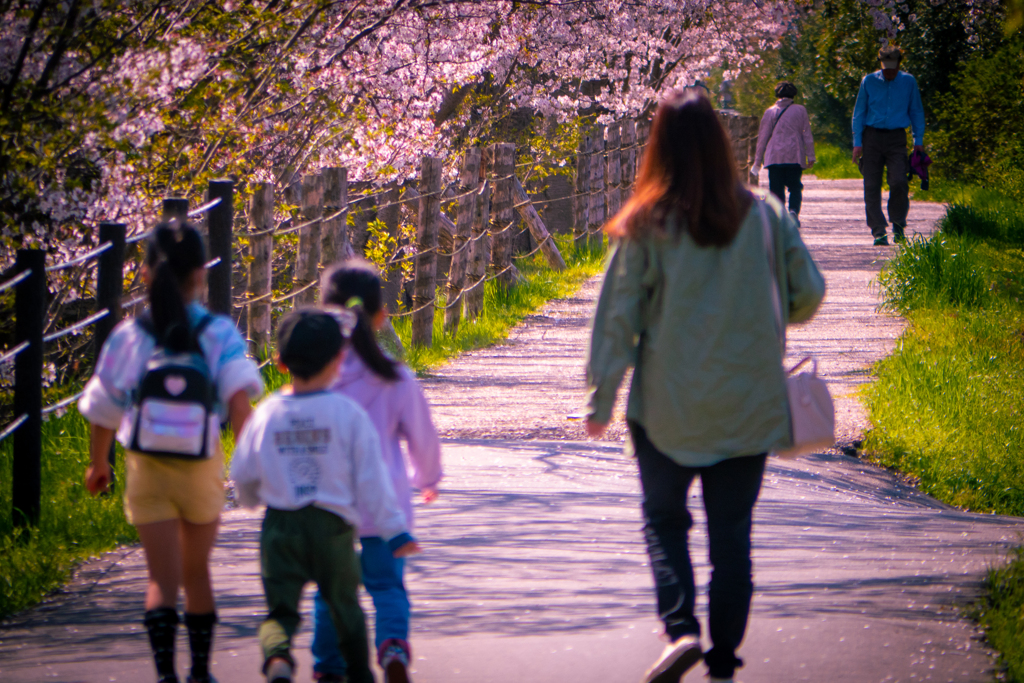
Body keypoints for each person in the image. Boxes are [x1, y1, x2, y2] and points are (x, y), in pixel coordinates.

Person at [584, 90, 825, 683]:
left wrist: (602, 400)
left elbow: (619, 317)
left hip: (665, 406)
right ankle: (723, 659)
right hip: (747, 404)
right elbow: (810, 292)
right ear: (720, 141)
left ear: (657, 147)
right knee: (732, 539)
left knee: (665, 521)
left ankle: (681, 630)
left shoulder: (648, 222)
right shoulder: (765, 214)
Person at [79, 221, 263, 683]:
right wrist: (252, 465)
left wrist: (99, 463)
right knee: (196, 572)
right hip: (200, 464)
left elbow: (104, 406)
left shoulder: (130, 335)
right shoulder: (218, 333)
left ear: (143, 272)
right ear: (202, 273)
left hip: (146, 466)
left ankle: (165, 674)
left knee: (162, 578)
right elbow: (240, 406)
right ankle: (201, 672)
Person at [230, 308, 420, 683]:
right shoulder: (347, 414)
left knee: (280, 613)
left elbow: (242, 472)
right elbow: (372, 480)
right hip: (332, 527)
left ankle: (278, 659)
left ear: (281, 362)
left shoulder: (267, 414)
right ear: (338, 359)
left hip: (280, 526)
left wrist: (252, 499)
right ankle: (357, 672)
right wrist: (394, 530)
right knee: (344, 606)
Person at [310, 260, 443, 683]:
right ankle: (392, 649)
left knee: (332, 592)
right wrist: (428, 479)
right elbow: (422, 436)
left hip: (329, 502)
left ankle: (329, 667)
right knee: (388, 587)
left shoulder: (315, 377)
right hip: (385, 504)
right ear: (381, 315)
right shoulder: (396, 376)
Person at [851, 45, 925, 245]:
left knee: (899, 181)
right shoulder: (869, 81)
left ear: (899, 64)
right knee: (871, 185)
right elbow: (860, 112)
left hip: (896, 138)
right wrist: (857, 143)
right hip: (872, 137)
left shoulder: (908, 82)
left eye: (892, 68)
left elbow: (916, 111)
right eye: (885, 68)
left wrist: (918, 141)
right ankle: (878, 230)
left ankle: (899, 223)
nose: (889, 72)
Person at [753, 81, 815, 222]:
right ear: (793, 94)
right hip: (795, 155)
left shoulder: (769, 112)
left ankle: (779, 217)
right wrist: (810, 155)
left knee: (776, 189)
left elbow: (762, 138)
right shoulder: (800, 110)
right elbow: (807, 134)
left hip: (774, 157)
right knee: (795, 186)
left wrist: (757, 162)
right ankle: (793, 211)